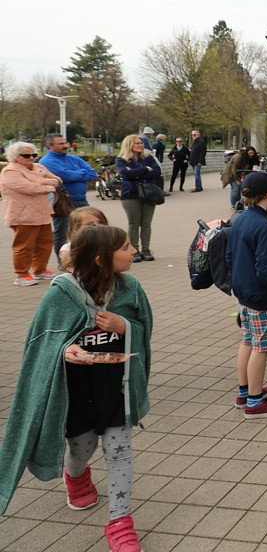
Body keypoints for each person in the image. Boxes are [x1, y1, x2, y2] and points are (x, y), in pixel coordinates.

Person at [0, 225, 152, 552]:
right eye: (125, 247)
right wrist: (65, 352)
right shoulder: (60, 294)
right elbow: (40, 345)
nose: (133, 252)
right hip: (75, 392)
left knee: (119, 450)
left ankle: (120, 523)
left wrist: (124, 325)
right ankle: (77, 474)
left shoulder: (130, 287)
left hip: (116, 388)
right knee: (82, 448)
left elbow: (144, 327)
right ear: (100, 259)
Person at [226, 171, 267, 419]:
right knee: (261, 347)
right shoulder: (264, 224)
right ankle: (254, 402)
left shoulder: (240, 218)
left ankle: (245, 391)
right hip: (262, 295)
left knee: (247, 340)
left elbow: (229, 256)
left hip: (244, 293)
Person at [1, 142, 62, 285]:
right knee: (24, 246)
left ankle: (40, 270)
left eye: (34, 155)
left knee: (45, 243)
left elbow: (58, 180)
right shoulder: (10, 171)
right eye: (26, 155)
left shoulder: (39, 167)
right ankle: (21, 275)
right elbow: (28, 188)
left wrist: (43, 183)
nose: (31, 158)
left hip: (43, 213)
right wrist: (47, 185)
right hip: (22, 215)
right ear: (15, 157)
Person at [39, 133, 98, 263]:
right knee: (63, 233)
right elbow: (67, 177)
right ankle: (64, 262)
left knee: (88, 231)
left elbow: (93, 174)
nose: (65, 145)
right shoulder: (46, 162)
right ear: (50, 146)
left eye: (65, 143)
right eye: (61, 144)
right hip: (64, 202)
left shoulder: (74, 159)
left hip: (82, 200)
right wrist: (80, 173)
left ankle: (86, 259)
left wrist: (74, 175)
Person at [114, 135, 162, 263]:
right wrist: (145, 169)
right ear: (129, 144)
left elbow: (157, 171)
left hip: (149, 194)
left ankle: (146, 250)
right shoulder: (121, 159)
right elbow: (125, 174)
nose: (140, 145)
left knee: (146, 223)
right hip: (130, 194)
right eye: (137, 143)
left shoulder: (148, 157)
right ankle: (134, 250)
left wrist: (135, 173)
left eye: (141, 143)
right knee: (133, 223)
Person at [59, 207, 109, 272]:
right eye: (90, 224)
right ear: (76, 228)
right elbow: (72, 272)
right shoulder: (68, 249)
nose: (98, 226)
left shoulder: (110, 242)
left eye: (100, 222)